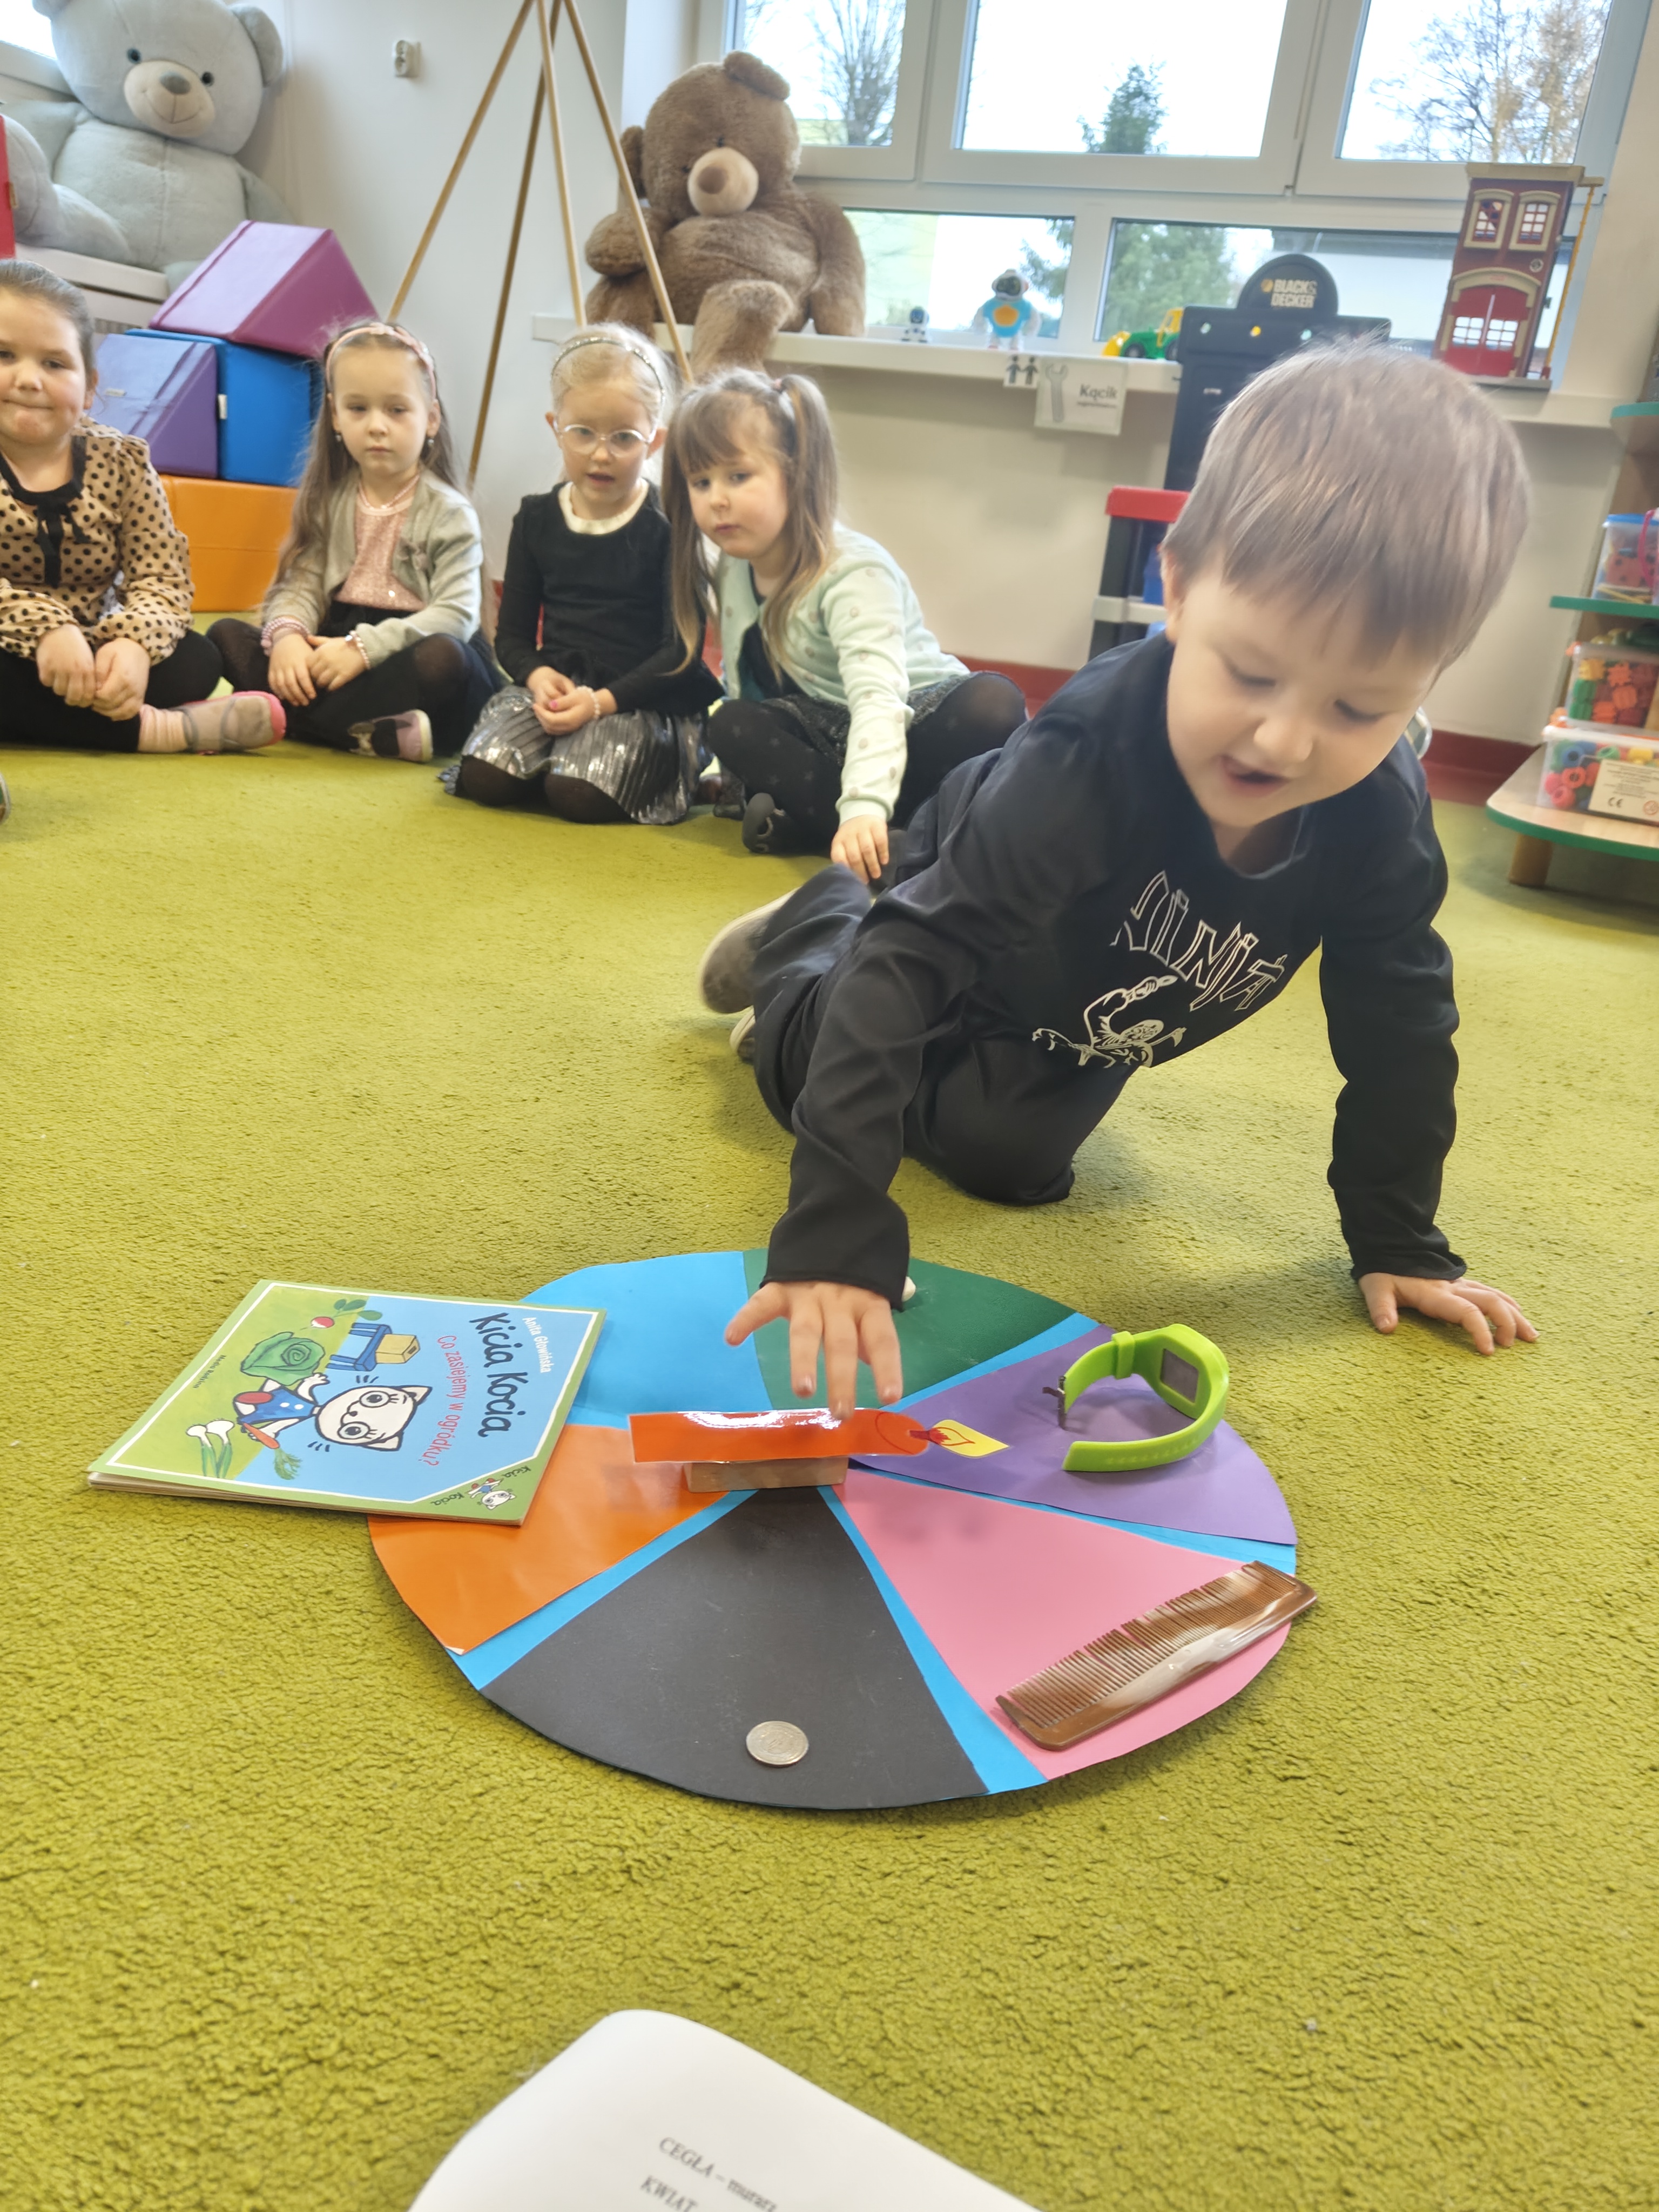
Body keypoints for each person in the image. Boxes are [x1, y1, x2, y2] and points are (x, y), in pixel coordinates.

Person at [696, 343, 1541, 1415]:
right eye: (1251, 672)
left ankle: (852, 933)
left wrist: (1401, 1239)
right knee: (810, 1063)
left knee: (1011, 1165)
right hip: (960, 902)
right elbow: (916, 962)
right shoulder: (1088, 755)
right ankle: (818, 926)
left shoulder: (1379, 816)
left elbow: (1402, 1027)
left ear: (1427, 683)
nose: (1284, 742)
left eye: (1359, 709)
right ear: (1176, 587)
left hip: (1069, 1005)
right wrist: (833, 1230)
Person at [662, 368, 1027, 879]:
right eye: (701, 482)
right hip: (827, 735)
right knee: (729, 722)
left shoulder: (853, 571)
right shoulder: (734, 565)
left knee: (993, 704)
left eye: (738, 476)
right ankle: (889, 841)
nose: (716, 499)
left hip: (911, 720)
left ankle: (861, 830)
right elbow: (746, 683)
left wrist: (863, 807)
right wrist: (733, 780)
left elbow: (879, 700)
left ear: (796, 473)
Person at [0, 259, 280, 757]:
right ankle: (153, 731)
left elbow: (162, 579)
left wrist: (132, 643)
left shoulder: (122, 462)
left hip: (96, 646)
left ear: (90, 387)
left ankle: (61, 714)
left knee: (198, 660)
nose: (29, 380)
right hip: (7, 644)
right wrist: (45, 628)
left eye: (54, 364)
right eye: (4, 355)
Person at [451, 325, 721, 824]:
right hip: (561, 689)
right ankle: (557, 758)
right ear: (556, 427)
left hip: (640, 698)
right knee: (485, 777)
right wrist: (538, 676)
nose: (601, 454)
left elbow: (680, 652)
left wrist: (600, 704)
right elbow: (511, 638)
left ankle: (603, 766)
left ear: (654, 440)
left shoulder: (670, 526)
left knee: (577, 794)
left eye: (624, 438)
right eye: (582, 433)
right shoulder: (536, 518)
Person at [209, 320, 495, 763]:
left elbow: (455, 615)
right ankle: (369, 734)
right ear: (335, 417)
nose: (377, 426)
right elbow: (302, 585)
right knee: (225, 636)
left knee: (444, 659)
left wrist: (364, 649)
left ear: (431, 419)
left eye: (397, 410)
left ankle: (300, 722)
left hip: (410, 645)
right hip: (336, 646)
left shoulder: (450, 512)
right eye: (358, 409)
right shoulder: (330, 501)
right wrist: (288, 637)